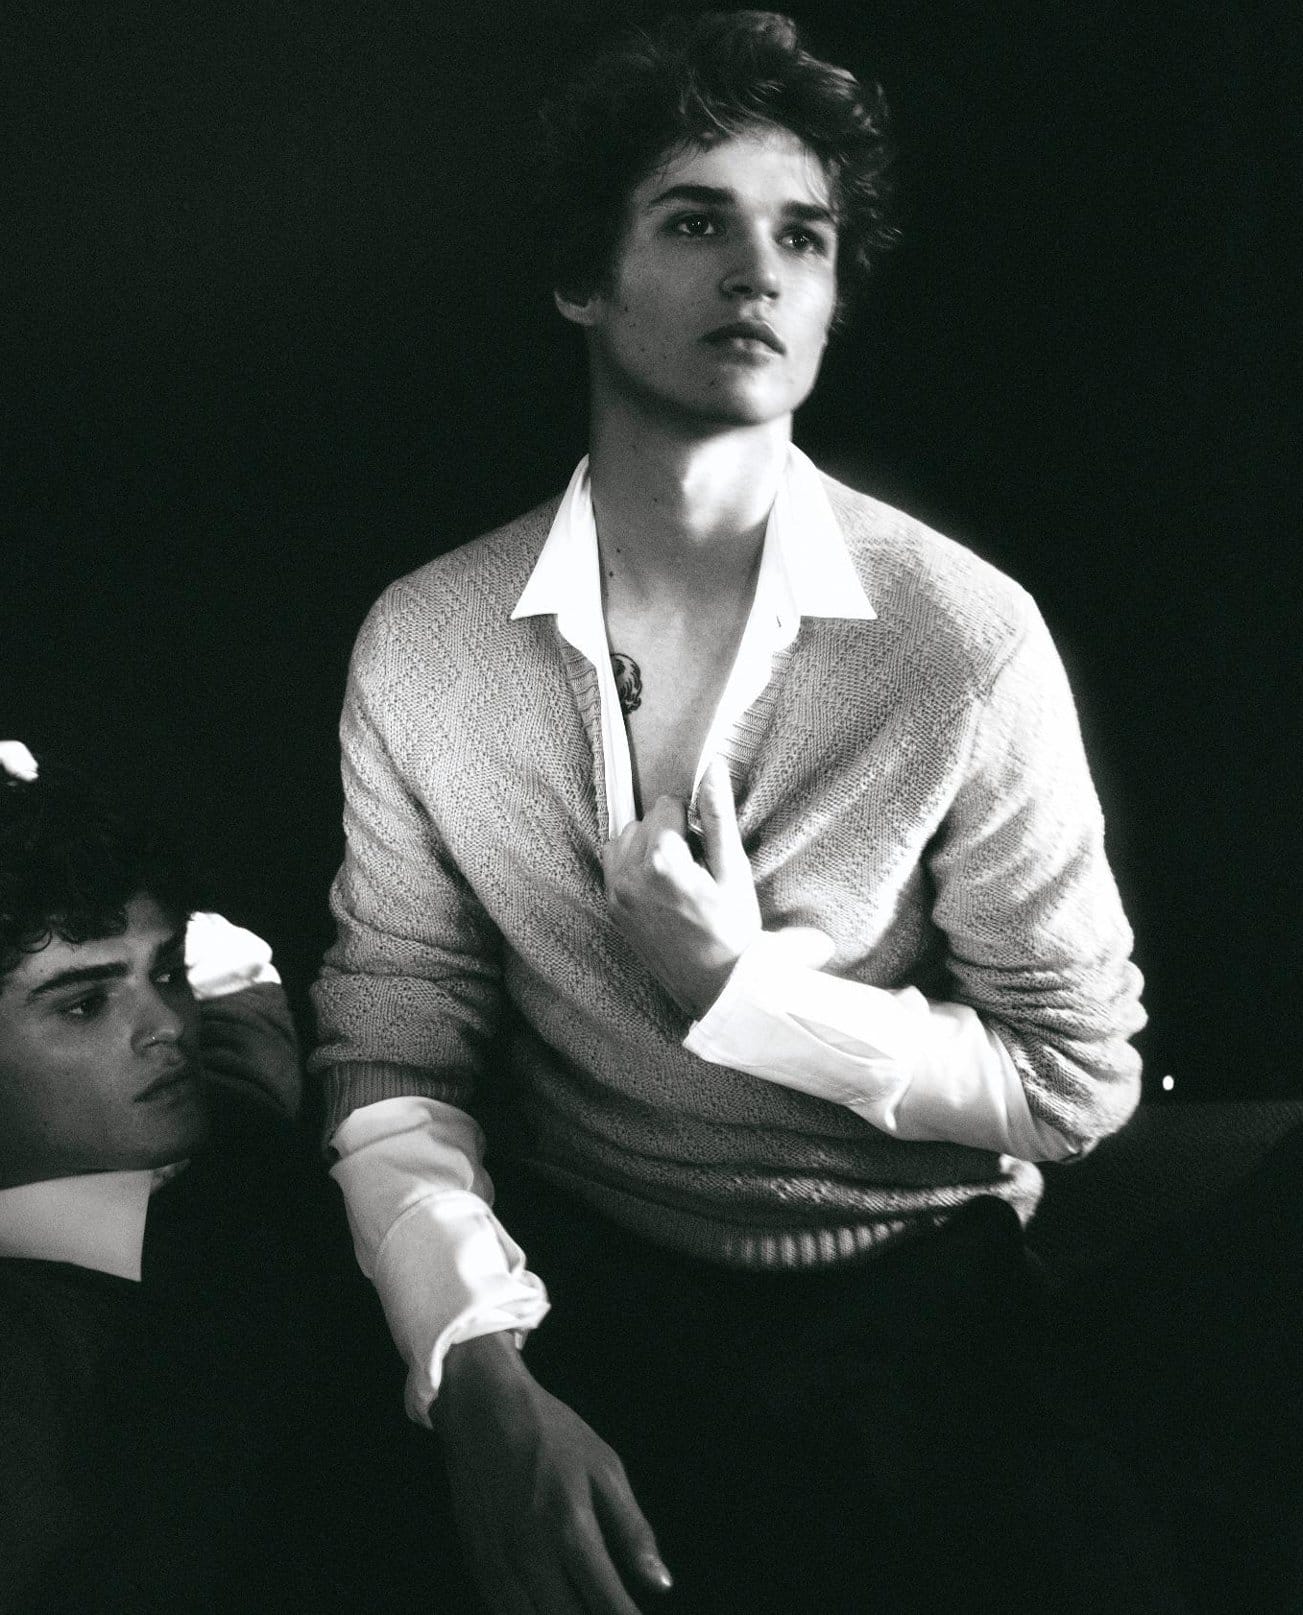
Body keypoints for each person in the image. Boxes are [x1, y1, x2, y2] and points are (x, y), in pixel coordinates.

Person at [310, 14, 1159, 1613]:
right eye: (696, 221)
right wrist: (471, 1363)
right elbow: (390, 1043)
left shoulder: (961, 640)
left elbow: (1072, 1079)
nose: (758, 272)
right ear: (584, 277)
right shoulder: (423, 643)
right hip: (578, 1276)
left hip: (913, 1304)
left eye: (802, 236)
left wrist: (742, 996)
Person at [0, 747, 424, 1614]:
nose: (167, 1025)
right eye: (83, 1004)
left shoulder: (231, 1119)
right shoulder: (33, 1372)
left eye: (166, 973)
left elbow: (239, 987)